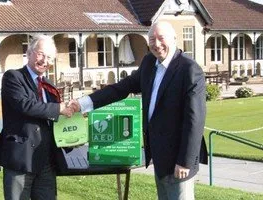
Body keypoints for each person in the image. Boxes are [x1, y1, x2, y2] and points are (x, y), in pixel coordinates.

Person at [70, 21, 208, 200]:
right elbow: (120, 89)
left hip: (179, 159)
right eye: (152, 39)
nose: (156, 44)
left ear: (174, 39)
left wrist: (185, 161)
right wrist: (83, 103)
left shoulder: (189, 69)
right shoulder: (149, 62)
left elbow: (195, 120)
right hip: (160, 155)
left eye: (161, 38)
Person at [0, 35, 73, 200]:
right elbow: (26, 105)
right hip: (20, 160)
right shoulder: (13, 77)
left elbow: (54, 119)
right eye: (41, 54)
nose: (44, 60)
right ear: (29, 53)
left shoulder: (49, 86)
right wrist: (59, 108)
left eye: (49, 57)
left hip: (46, 161)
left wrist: (74, 125)